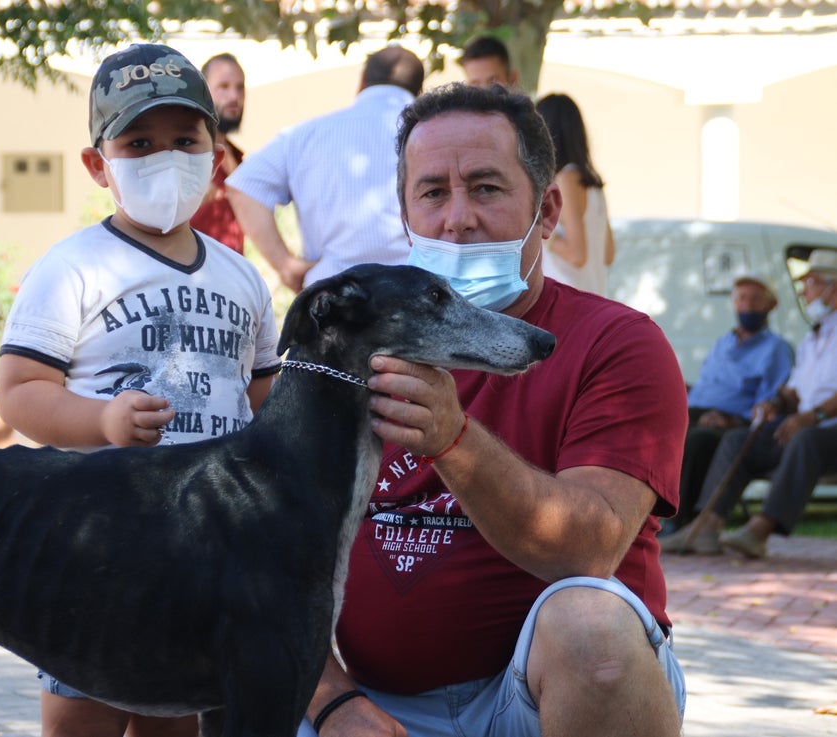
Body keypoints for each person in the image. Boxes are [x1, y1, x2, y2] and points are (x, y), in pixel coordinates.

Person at [300, 83, 687, 737]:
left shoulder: (616, 343)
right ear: (405, 217)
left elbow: (585, 551)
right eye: (432, 193)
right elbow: (276, 570)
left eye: (485, 188)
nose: (457, 219)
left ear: (547, 210)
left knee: (591, 628)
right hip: (364, 706)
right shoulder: (345, 348)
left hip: (533, 704)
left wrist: (454, 440)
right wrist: (335, 705)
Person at [0, 43, 281, 737]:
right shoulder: (71, 269)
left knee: (175, 717)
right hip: (100, 548)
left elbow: (264, 394)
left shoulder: (242, 279)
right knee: (83, 716)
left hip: (208, 546)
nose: (166, 157)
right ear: (99, 164)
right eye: (139, 142)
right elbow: (20, 390)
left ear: (216, 154)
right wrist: (103, 422)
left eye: (185, 139)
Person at [661, 248, 837, 559]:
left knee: (805, 439)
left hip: (825, 428)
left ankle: (759, 530)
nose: (804, 292)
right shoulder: (815, 338)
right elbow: (794, 391)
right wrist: (775, 403)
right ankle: (706, 526)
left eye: (809, 283)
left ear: (831, 286)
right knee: (737, 440)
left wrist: (811, 416)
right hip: (806, 425)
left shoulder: (785, 345)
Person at [225, 45, 425, 292]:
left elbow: (243, 185)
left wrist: (285, 265)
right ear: (420, 91)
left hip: (334, 300)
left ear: (361, 82)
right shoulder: (433, 136)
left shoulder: (305, 135)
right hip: (417, 297)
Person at [662, 274, 793, 535]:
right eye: (742, 298)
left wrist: (733, 421)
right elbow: (706, 386)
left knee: (698, 440)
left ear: (771, 306)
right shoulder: (723, 342)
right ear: (734, 303)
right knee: (651, 428)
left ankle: (680, 522)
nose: (748, 305)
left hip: (730, 421)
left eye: (756, 299)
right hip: (694, 410)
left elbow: (770, 404)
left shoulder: (776, 349)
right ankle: (641, 518)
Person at [535, 93, 615, 295]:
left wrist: (541, 236)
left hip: (570, 304)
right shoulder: (593, 183)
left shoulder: (566, 180)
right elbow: (608, 254)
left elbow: (577, 255)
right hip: (595, 300)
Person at [189, 52, 247, 253]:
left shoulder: (240, 158)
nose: (234, 97)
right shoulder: (185, 154)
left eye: (240, 88)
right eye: (223, 87)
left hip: (234, 278)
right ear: (203, 92)